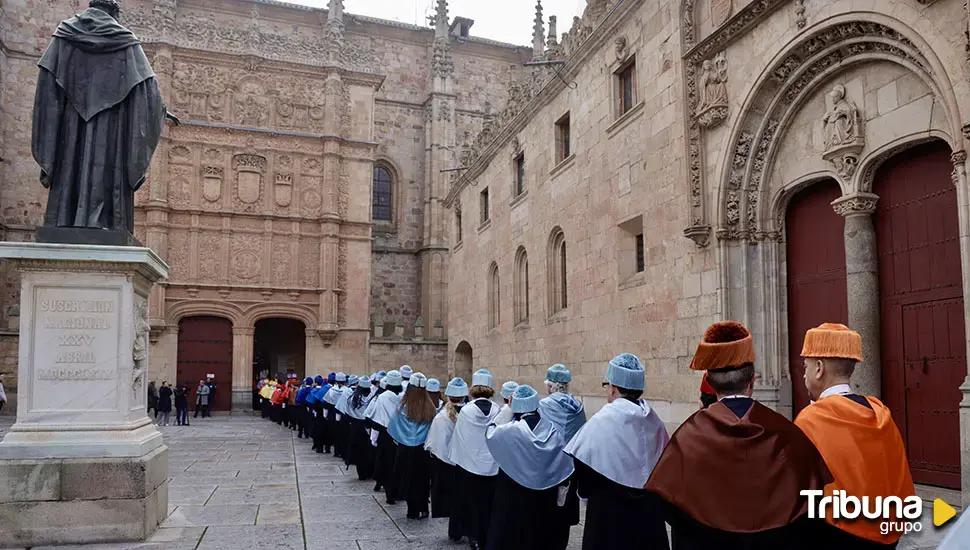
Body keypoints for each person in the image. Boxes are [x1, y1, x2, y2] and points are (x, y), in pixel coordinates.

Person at [646, 321, 832, 549]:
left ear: (711, 385)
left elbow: (670, 508)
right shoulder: (788, 434)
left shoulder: (687, 438)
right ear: (752, 382)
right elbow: (811, 508)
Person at [795, 323, 915, 548]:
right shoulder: (880, 412)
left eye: (806, 367)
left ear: (819, 368)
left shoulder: (810, 419)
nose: (804, 375)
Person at [564, 354, 669, 550]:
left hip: (608, 521)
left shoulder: (600, 422)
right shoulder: (655, 423)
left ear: (612, 387)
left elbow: (584, 475)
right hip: (649, 521)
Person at [485, 385, 575, 550]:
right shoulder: (552, 431)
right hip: (545, 500)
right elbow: (564, 465)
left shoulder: (509, 431)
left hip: (515, 499)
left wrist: (507, 409)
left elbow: (490, 432)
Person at [449, 369, 501, 550]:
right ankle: (489, 536)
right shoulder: (497, 410)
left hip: (469, 467)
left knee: (472, 503)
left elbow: (460, 438)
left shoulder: (466, 411)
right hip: (493, 466)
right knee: (489, 503)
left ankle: (474, 538)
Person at [537, 363, 586, 546]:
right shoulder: (578, 406)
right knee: (564, 512)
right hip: (571, 466)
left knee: (547, 511)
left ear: (550, 386)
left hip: (549, 466)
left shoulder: (544, 405)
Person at [388, 373, 436, 519]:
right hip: (422, 448)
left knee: (407, 478)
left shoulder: (402, 407)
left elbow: (393, 427)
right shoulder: (430, 408)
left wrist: (400, 439)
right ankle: (423, 506)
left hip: (405, 448)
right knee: (422, 478)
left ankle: (412, 510)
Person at [426, 377, 468, 524]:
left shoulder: (441, 417)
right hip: (468, 464)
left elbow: (436, 443)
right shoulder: (472, 414)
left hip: (447, 464)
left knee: (452, 497)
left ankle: (454, 527)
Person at [366, 369, 404, 498]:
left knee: (385, 461)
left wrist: (373, 437)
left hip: (385, 434)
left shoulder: (382, 397)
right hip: (399, 434)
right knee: (397, 463)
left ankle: (387, 489)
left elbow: (377, 418)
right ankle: (397, 489)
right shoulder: (402, 397)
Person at [345, 375, 377, 480]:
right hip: (369, 427)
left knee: (358, 450)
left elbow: (347, 413)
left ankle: (361, 473)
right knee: (369, 450)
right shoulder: (373, 398)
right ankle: (370, 472)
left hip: (356, 427)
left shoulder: (353, 398)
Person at [324, 372, 349, 456]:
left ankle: (328, 448)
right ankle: (339, 451)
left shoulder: (331, 390)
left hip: (332, 412)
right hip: (343, 414)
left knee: (330, 431)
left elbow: (326, 403)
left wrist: (325, 414)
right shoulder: (347, 391)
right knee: (341, 433)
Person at [307, 375, 330, 453]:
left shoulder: (314, 391)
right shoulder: (328, 389)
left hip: (318, 413)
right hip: (328, 414)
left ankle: (318, 447)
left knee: (318, 430)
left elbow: (310, 401)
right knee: (327, 431)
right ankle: (327, 448)